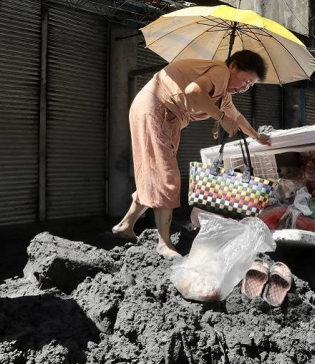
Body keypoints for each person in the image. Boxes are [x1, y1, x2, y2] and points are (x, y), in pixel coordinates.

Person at [112, 50, 272, 258]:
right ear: (233, 66)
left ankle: (126, 225)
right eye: (245, 80)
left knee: (155, 175)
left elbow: (237, 117)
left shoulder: (223, 93)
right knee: (166, 176)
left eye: (250, 85)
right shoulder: (221, 71)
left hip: (165, 116)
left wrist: (257, 136)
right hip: (157, 108)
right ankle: (164, 244)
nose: (244, 88)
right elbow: (193, 91)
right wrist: (220, 117)